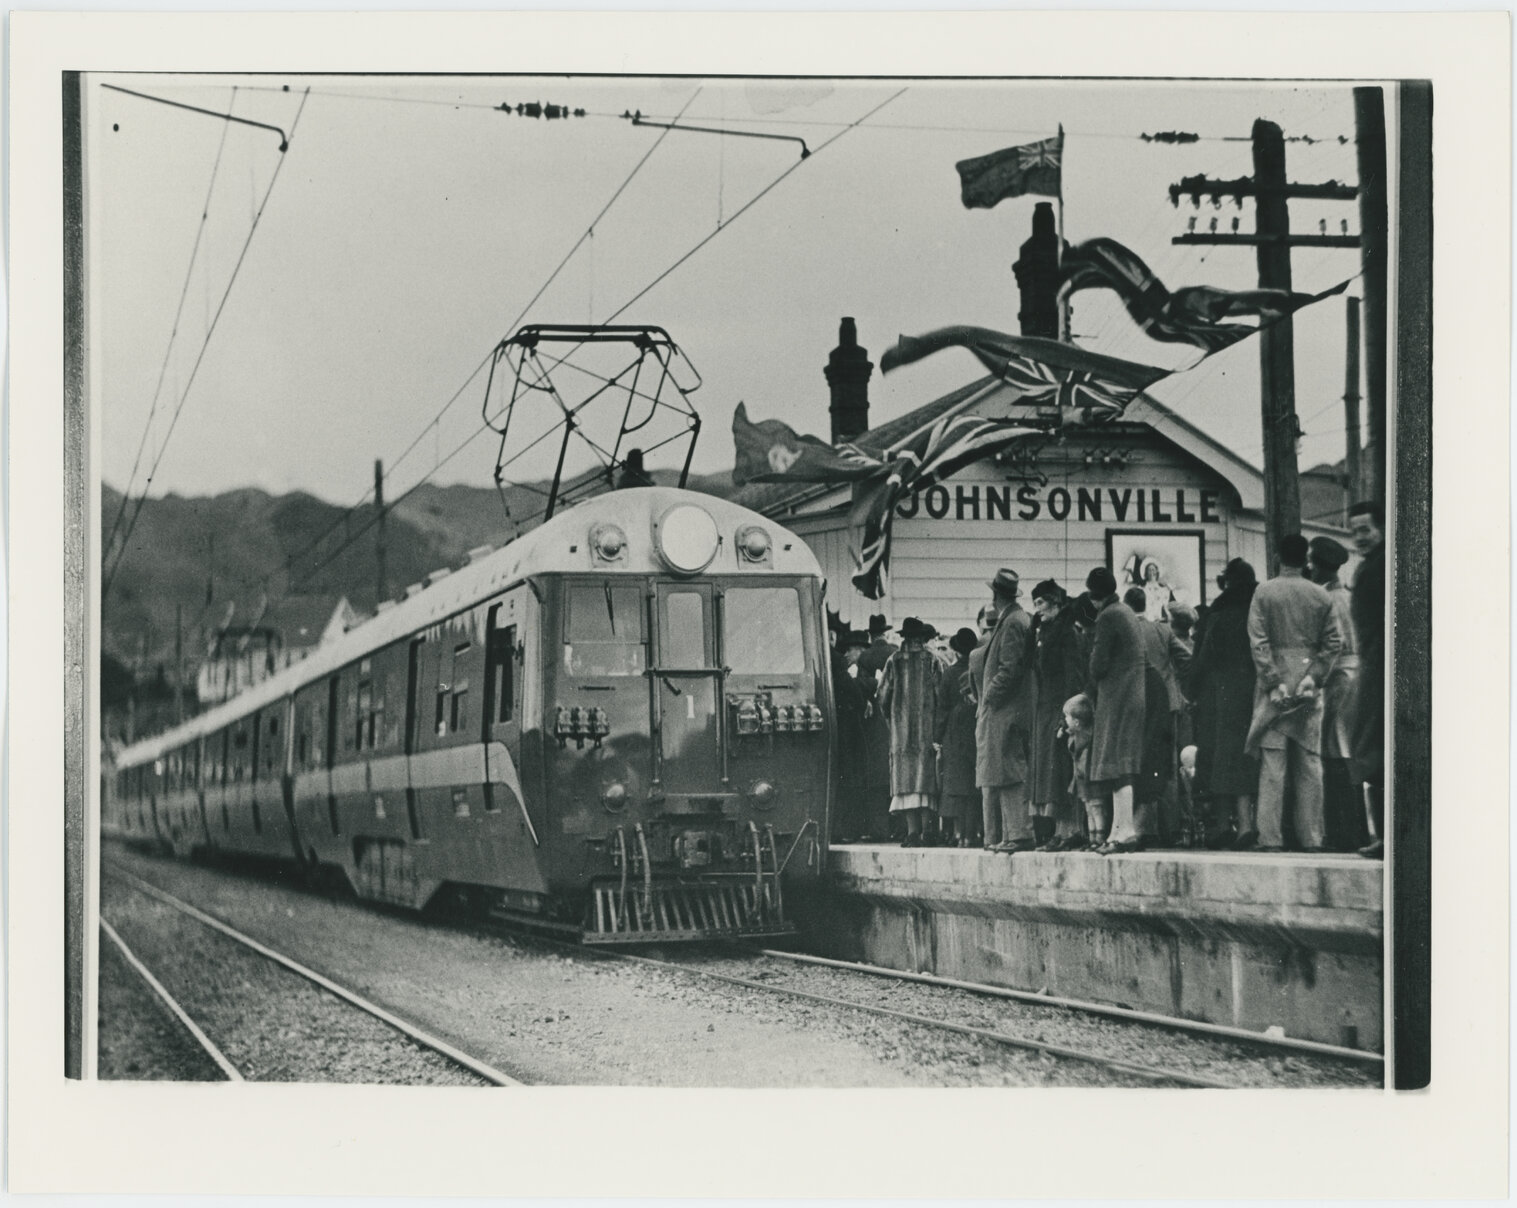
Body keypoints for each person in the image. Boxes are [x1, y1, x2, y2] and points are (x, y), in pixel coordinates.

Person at [1245, 533, 1342, 852]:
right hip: (1308, 684)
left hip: (1275, 685)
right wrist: (1313, 678)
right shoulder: (1321, 595)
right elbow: (1332, 643)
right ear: (1306, 561)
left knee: (1273, 766)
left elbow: (1258, 641)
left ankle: (1270, 837)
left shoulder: (1264, 591)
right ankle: (1312, 837)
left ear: (1277, 557)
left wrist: (1273, 681)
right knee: (1310, 764)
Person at [1187, 558, 1262, 849]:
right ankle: (1247, 824)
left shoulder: (1217, 612)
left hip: (1218, 693)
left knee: (1218, 757)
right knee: (1245, 757)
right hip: (1253, 690)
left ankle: (1221, 825)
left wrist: (1192, 689)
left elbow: (1203, 656)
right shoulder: (1256, 608)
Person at [972, 569, 1037, 854]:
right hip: (1010, 708)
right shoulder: (1017, 619)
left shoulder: (1011, 623)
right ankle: (1014, 833)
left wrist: (989, 697)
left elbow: (1010, 668)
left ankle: (1019, 833)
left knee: (1009, 771)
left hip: (1005, 710)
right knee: (1005, 770)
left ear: (996, 596)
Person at [1308, 535, 1365, 851]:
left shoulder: (1327, 600)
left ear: (1319, 567)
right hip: (1355, 673)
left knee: (1335, 753)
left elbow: (1331, 645)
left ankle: (1343, 832)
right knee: (1347, 750)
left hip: (1337, 676)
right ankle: (1355, 829)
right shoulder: (1349, 597)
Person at [1085, 565, 1147, 854]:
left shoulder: (1108, 616)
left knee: (1118, 765)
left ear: (1094, 596)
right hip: (1133, 693)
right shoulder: (1125, 612)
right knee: (1121, 763)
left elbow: (1098, 665)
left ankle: (1126, 832)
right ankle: (1118, 830)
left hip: (1117, 696)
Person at [1124, 585, 1191, 842]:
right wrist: (1173, 682)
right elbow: (1187, 658)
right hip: (1169, 703)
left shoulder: (1128, 629)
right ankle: (1171, 828)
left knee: (1140, 764)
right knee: (1169, 765)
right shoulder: (1162, 629)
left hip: (1137, 705)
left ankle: (1145, 828)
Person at [1029, 580, 1088, 851]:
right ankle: (1060, 830)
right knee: (1052, 771)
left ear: (1055, 602)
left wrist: (1068, 715)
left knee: (1063, 769)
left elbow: (1074, 674)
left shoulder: (1067, 632)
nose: (1037, 609)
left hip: (1061, 708)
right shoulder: (1048, 631)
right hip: (1046, 707)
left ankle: (1071, 830)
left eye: (1040, 603)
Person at [879, 618, 942, 846]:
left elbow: (882, 696)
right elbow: (940, 695)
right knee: (925, 784)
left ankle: (912, 832)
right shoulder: (933, 661)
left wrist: (892, 719)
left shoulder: (894, 661)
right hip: (926, 731)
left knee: (905, 785)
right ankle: (928, 832)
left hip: (901, 733)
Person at [1347, 500, 1386, 859]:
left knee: (1377, 748)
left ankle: (1389, 836)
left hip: (1384, 666)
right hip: (1371, 665)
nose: (1359, 537)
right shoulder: (1369, 567)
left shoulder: (1385, 565)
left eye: (1365, 529)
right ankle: (1384, 836)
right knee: (1371, 748)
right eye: (1353, 531)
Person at [935, 627, 981, 846]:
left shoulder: (950, 673)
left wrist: (937, 737)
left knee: (957, 787)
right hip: (975, 727)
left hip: (954, 732)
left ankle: (959, 834)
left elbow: (942, 708)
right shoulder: (978, 669)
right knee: (973, 786)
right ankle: (972, 834)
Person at [830, 630, 872, 842]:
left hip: (835, 725)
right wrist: (863, 703)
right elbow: (850, 689)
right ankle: (847, 829)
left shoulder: (831, 658)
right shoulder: (837, 661)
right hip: (846, 726)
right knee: (850, 776)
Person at [1061, 693, 1106, 846]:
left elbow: (1081, 759)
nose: (1065, 721)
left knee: (1095, 808)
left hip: (1088, 779)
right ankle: (1093, 837)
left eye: (1067, 717)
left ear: (1077, 722)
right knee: (1089, 808)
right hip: (1083, 781)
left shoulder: (1084, 740)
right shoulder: (1080, 735)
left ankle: (1098, 837)